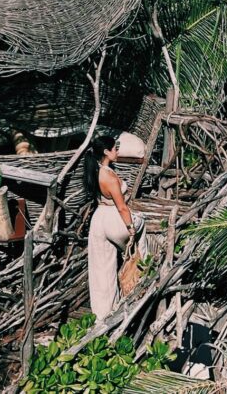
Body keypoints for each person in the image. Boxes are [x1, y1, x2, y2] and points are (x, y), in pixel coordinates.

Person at [84, 135, 142, 320]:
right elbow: (122, 207)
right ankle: (143, 272)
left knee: (101, 270)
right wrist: (131, 227)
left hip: (98, 219)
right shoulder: (108, 176)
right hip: (112, 218)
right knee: (142, 224)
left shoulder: (94, 170)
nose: (117, 152)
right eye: (115, 149)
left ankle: (101, 315)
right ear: (107, 152)